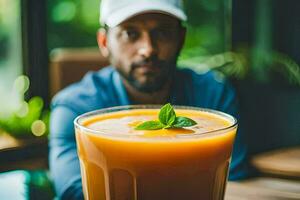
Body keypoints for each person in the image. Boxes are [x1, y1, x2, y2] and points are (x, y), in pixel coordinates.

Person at [49, 0, 252, 199]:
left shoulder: (214, 94)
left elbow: (233, 180)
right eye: (131, 33)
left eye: (162, 33)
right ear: (104, 42)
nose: (148, 49)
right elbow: (74, 191)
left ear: (180, 39)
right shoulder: (75, 108)